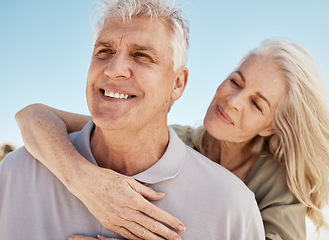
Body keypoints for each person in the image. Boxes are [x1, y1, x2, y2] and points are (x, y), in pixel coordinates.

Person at [15, 37, 329, 240]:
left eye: (256, 103)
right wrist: (85, 181)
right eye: (236, 81)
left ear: (270, 127)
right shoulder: (170, 141)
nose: (233, 101)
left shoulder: (280, 183)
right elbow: (33, 116)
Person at [0, 0, 265, 239]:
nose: (114, 69)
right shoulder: (16, 173)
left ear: (177, 83)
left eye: (142, 56)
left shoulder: (232, 207)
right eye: (104, 51)